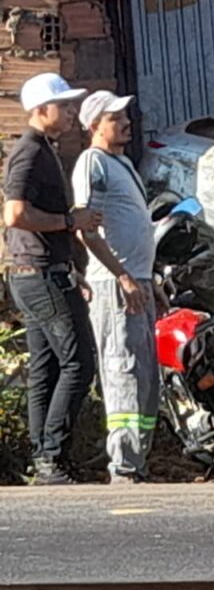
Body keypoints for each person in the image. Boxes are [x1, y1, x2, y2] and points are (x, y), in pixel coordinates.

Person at [2, 73, 101, 484]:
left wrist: (72, 266)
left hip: (38, 273)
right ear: (42, 111)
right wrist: (68, 221)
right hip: (39, 274)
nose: (72, 112)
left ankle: (45, 458)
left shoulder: (44, 150)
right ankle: (51, 458)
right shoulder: (29, 153)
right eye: (65, 106)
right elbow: (14, 214)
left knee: (46, 367)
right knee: (79, 362)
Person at [72, 91, 159, 484]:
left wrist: (147, 278)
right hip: (115, 287)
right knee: (122, 370)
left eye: (124, 116)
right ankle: (123, 467)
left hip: (136, 283)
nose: (125, 122)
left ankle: (137, 462)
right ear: (95, 126)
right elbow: (85, 229)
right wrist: (122, 276)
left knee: (143, 375)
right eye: (115, 118)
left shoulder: (121, 162)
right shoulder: (92, 162)